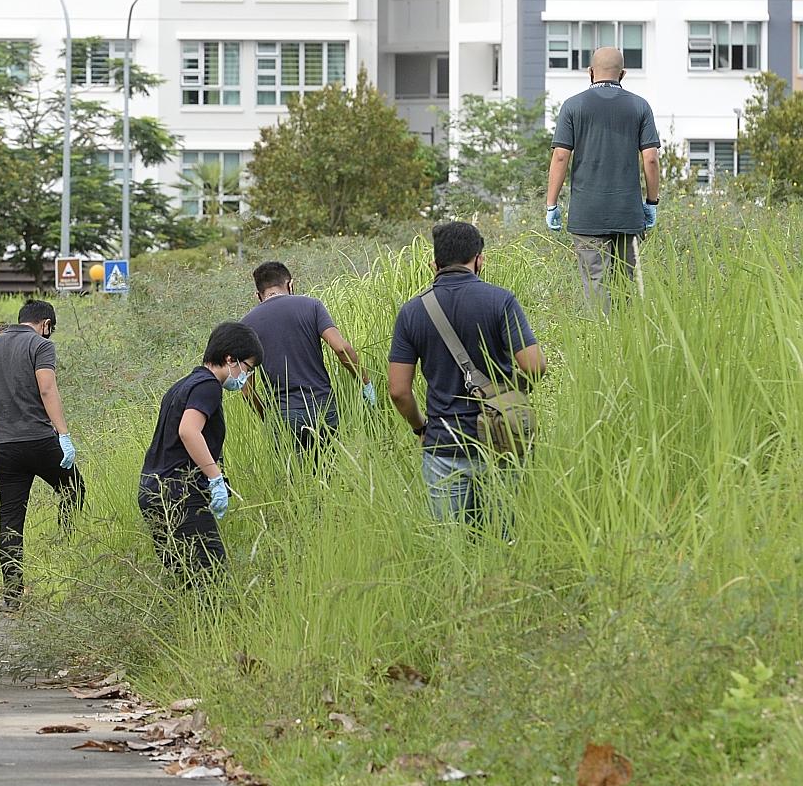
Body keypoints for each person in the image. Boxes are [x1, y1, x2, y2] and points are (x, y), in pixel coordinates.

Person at [387, 222, 546, 525]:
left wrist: (420, 428)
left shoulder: (411, 312)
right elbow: (535, 365)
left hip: (443, 447)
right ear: (479, 259)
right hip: (501, 442)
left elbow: (398, 391)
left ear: (434, 265)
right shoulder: (501, 301)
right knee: (503, 543)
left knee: (451, 547)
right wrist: (511, 393)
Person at [0, 299, 83, 609]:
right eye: (51, 330)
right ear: (45, 324)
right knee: (74, 489)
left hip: (5, 448)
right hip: (41, 442)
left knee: (10, 518)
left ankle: (13, 594)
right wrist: (64, 434)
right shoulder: (40, 346)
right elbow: (47, 389)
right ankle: (68, 546)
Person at [138, 322, 263, 578]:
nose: (245, 377)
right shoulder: (208, 386)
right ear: (230, 358)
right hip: (181, 494)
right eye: (247, 368)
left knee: (185, 579)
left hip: (154, 493)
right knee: (211, 580)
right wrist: (215, 477)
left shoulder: (182, 386)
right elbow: (188, 431)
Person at [544, 46, 661, 312]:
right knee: (626, 284)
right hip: (628, 214)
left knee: (595, 283)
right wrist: (651, 202)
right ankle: (626, 343)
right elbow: (651, 159)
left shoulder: (573, 106)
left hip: (587, 215)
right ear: (623, 74)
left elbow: (561, 157)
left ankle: (600, 343)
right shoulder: (639, 106)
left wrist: (552, 204)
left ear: (590, 72)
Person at [241, 261, 374, 461]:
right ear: (291, 285)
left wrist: (267, 416)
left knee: (292, 483)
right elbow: (341, 348)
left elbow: (247, 389)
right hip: (322, 407)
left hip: (283, 414)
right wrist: (366, 385)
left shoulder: (247, 325)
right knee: (329, 478)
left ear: (258, 296)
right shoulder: (311, 306)